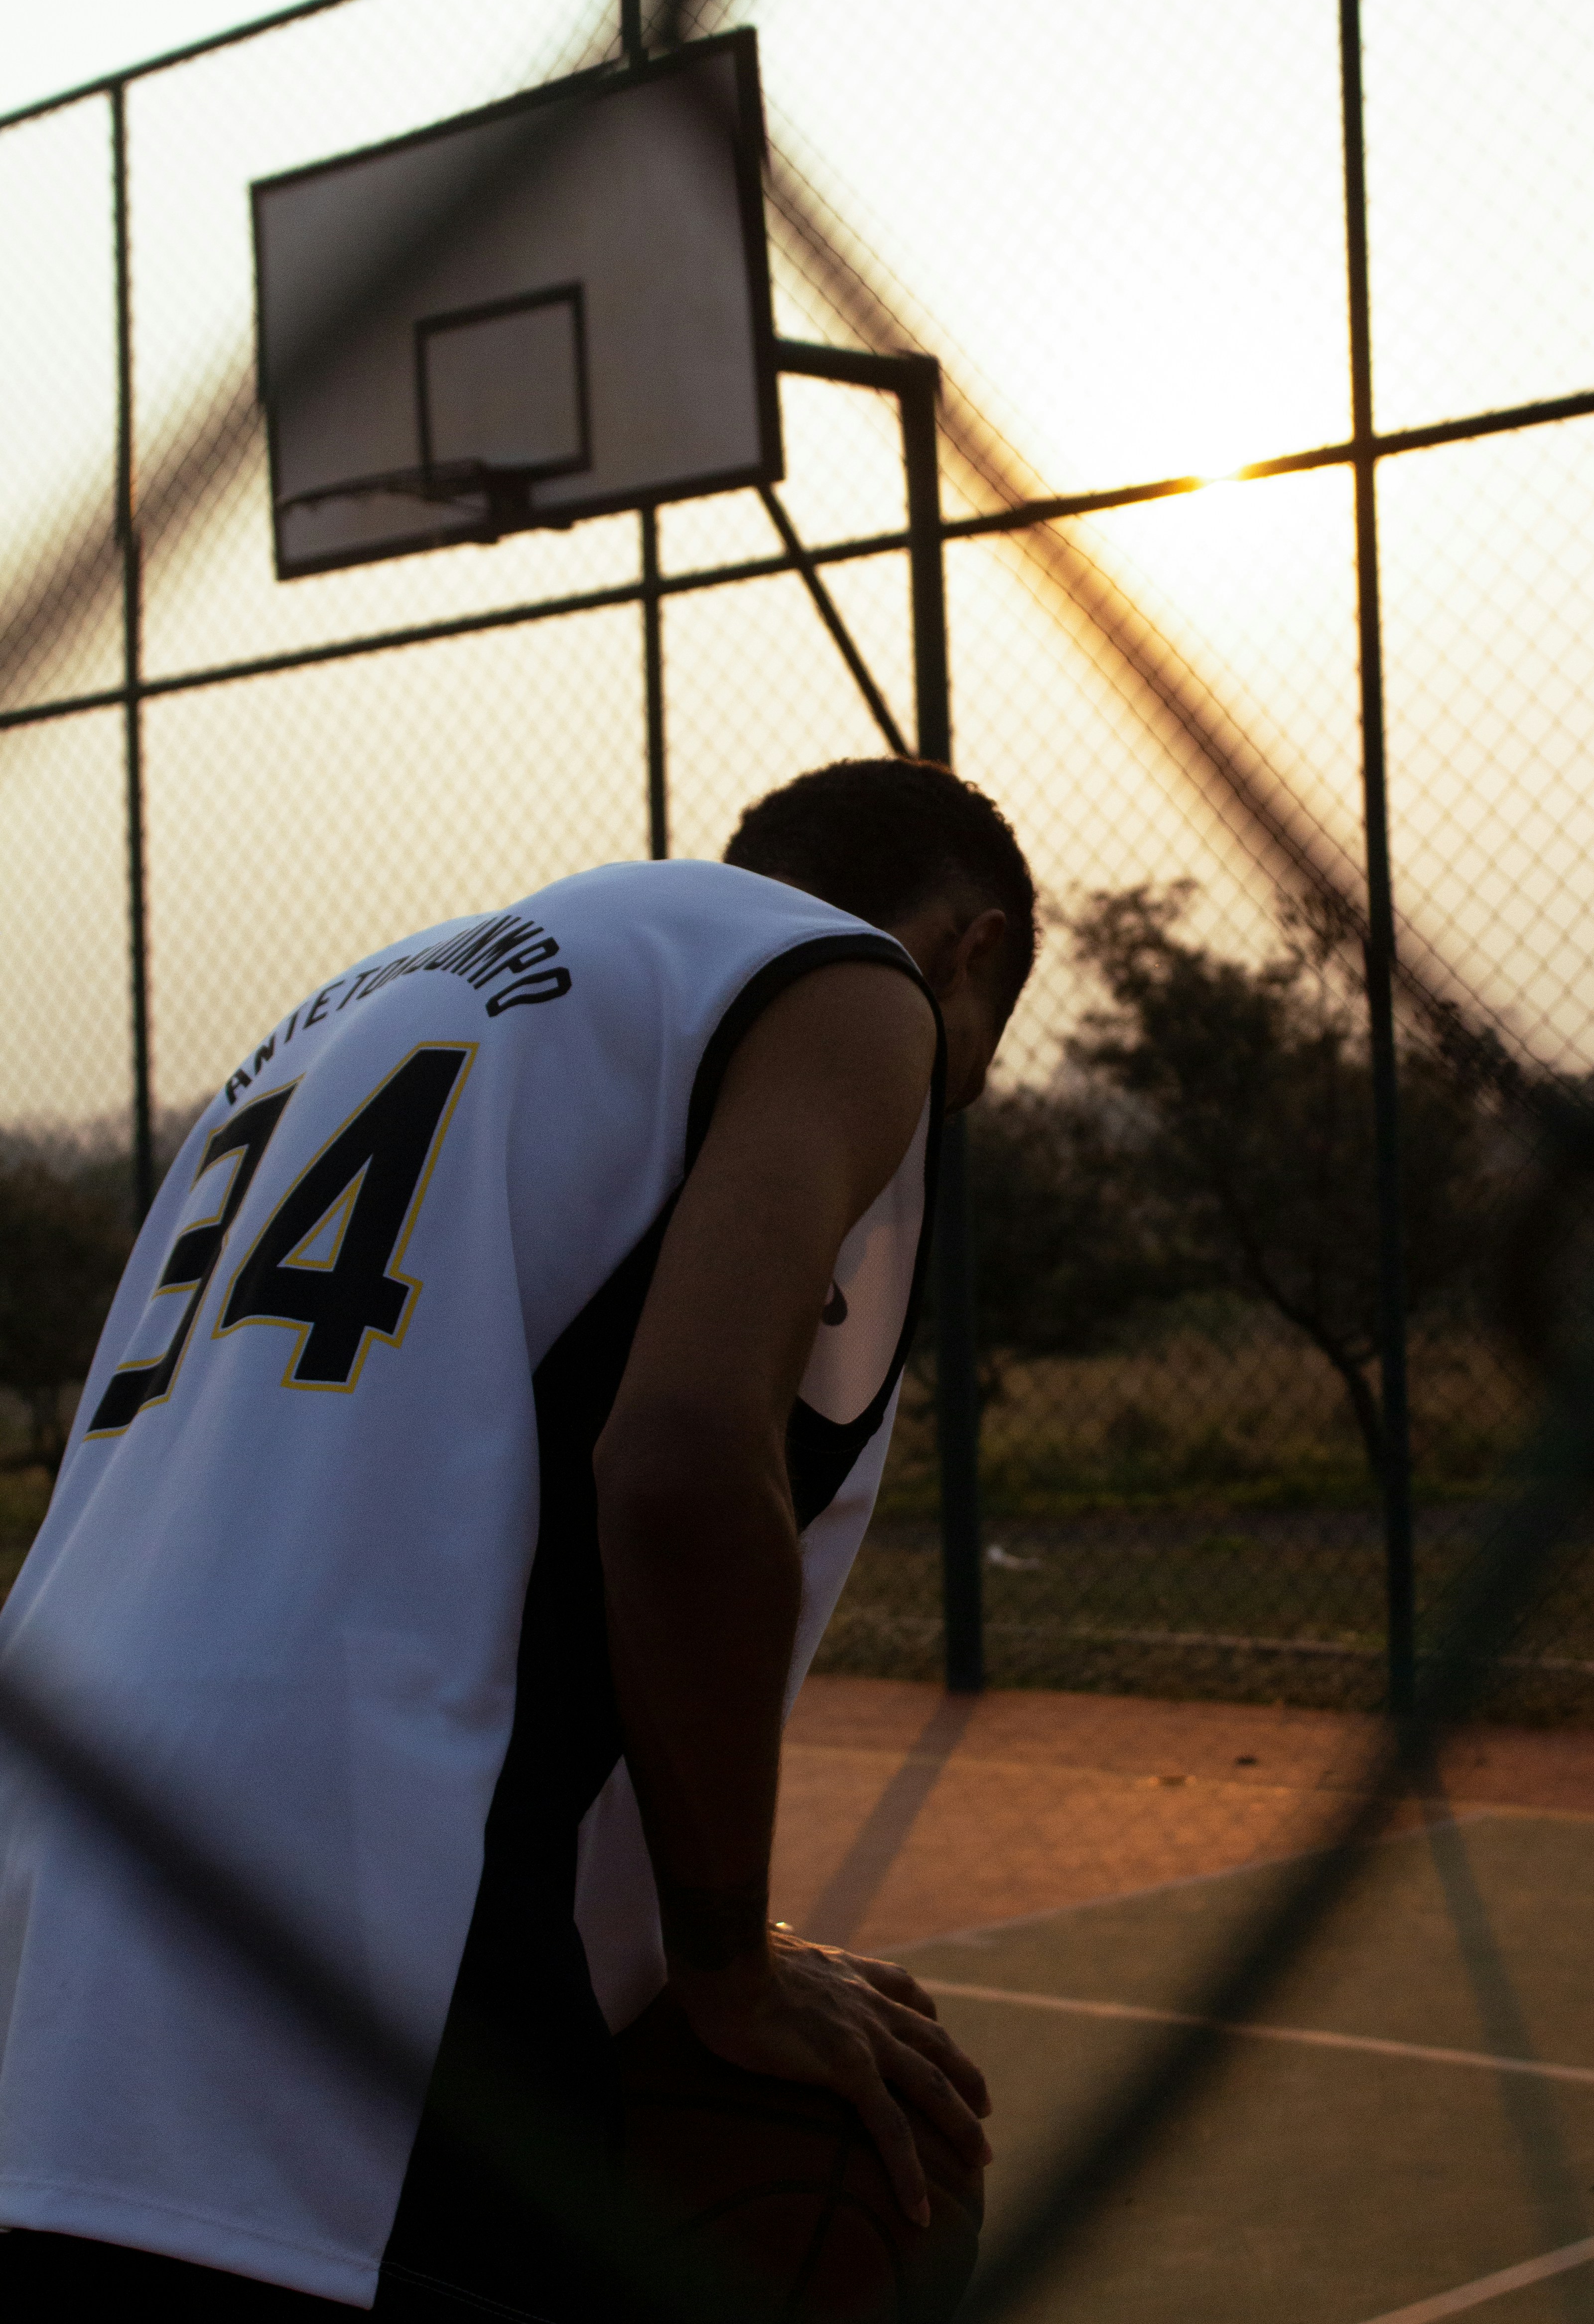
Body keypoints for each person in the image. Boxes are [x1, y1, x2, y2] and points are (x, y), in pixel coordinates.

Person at [0, 757, 1038, 2320]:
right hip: (359, 1914)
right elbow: (684, 1471)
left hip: (48, 1888)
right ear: (976, 951)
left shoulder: (353, 1019)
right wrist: (723, 1965)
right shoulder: (858, 993)